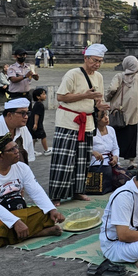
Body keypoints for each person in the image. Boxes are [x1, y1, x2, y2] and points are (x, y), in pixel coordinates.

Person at [0, 134, 65, 248]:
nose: (16, 151)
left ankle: (18, 234)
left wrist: (52, 210)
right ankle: (38, 233)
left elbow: (36, 190)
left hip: (15, 211)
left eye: (16, 147)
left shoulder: (22, 167)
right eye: (11, 150)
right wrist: (15, 222)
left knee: (45, 214)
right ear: (0, 156)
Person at [48, 44, 110, 205]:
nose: (97, 64)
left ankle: (78, 190)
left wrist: (101, 106)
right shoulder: (73, 74)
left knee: (82, 160)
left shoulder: (99, 77)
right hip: (69, 121)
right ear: (86, 58)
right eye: (95, 60)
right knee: (64, 159)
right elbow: (61, 97)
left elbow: (98, 101)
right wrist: (85, 95)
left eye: (100, 61)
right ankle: (56, 194)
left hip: (88, 122)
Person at [106, 55, 138, 167]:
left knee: (115, 136)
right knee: (131, 137)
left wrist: (108, 97)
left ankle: (115, 159)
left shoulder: (119, 76)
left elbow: (112, 89)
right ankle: (131, 160)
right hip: (132, 114)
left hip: (117, 113)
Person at [28, 88, 51, 156]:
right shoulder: (39, 105)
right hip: (37, 124)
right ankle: (46, 150)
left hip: (33, 123)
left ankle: (31, 151)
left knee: (34, 137)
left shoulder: (36, 104)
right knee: (43, 136)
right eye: (43, 94)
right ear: (38, 97)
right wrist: (36, 124)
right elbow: (36, 115)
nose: (45, 95)